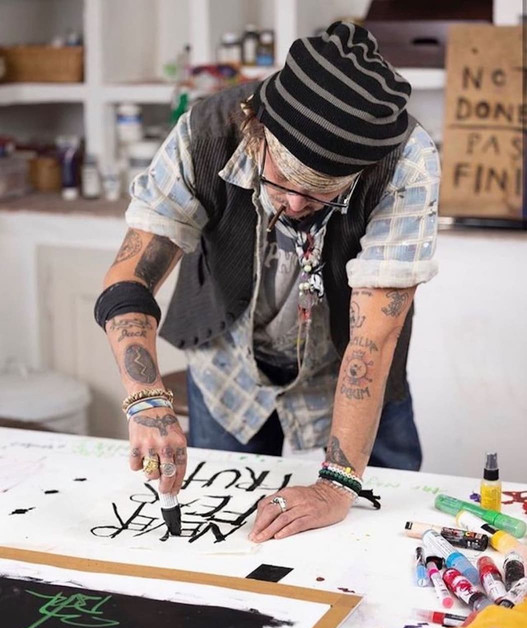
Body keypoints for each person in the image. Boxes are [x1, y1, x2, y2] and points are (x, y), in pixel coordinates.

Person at [94, 22, 440, 542]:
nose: (297, 203)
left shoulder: (405, 164)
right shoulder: (206, 132)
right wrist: (146, 398)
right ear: (257, 128)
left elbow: (374, 335)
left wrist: (337, 485)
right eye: (283, 178)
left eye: (322, 191)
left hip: (350, 366)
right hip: (229, 366)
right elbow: (128, 277)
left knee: (386, 529)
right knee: (227, 527)